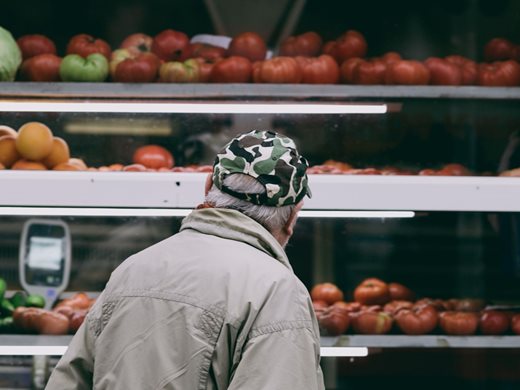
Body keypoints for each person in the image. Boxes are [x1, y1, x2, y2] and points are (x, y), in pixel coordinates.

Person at [46, 129, 325, 389]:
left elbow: (68, 381)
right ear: (292, 215)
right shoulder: (277, 292)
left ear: (207, 187)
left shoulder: (132, 270)